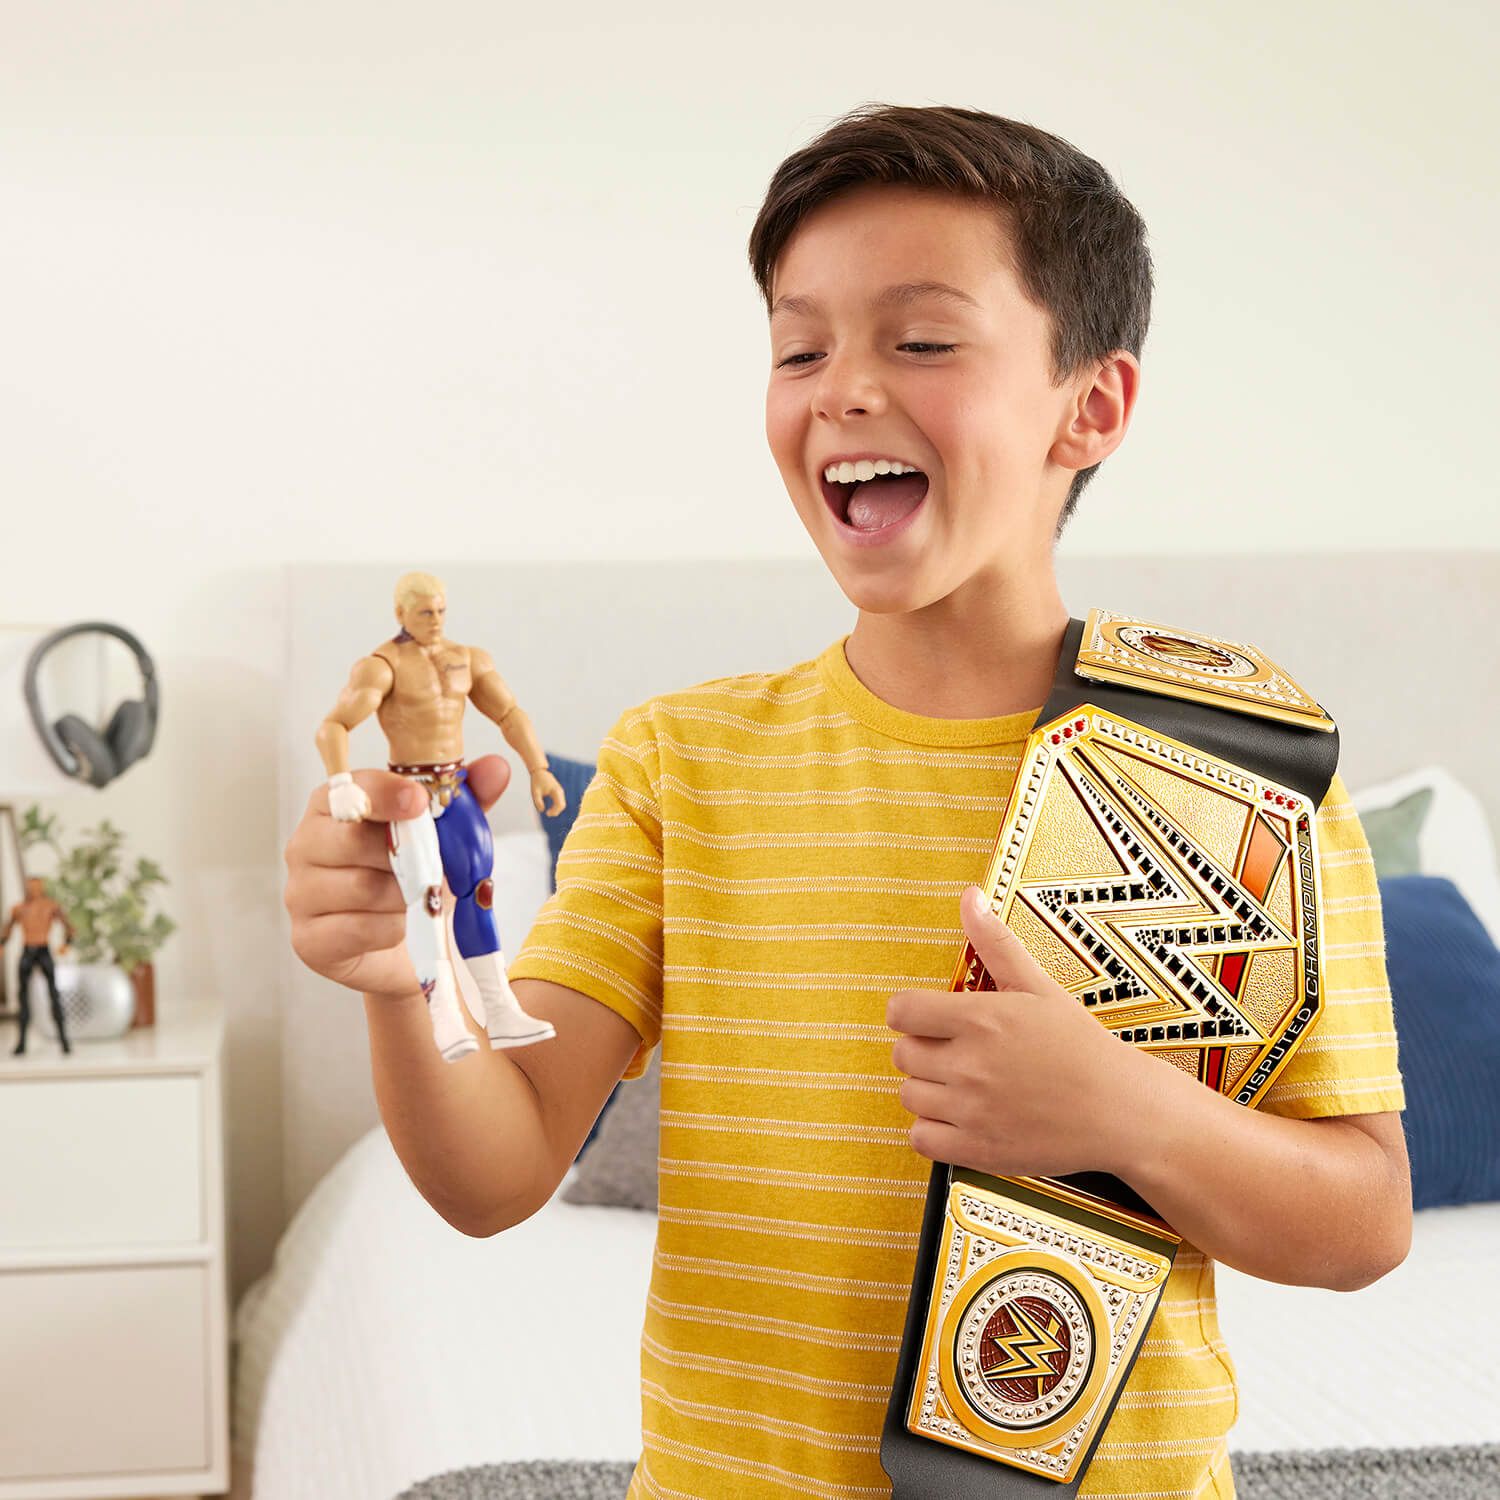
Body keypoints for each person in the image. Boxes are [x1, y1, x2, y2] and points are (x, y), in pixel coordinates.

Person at [284, 104, 1409, 1500]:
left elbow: (1363, 1221)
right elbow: (493, 1174)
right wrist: (410, 980)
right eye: (798, 347)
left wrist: (1122, 1112)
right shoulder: (681, 765)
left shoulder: (1231, 757)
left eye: (921, 340)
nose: (842, 390)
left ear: (1092, 406)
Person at [312, 573, 567, 1062]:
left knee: (479, 890)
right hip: (410, 789)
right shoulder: (381, 666)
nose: (435, 620)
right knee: (428, 897)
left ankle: (500, 1007)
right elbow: (335, 725)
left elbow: (509, 713)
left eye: (441, 610)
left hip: (457, 789)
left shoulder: (467, 658)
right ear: (400, 614)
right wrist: (340, 783)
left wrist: (540, 769)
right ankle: (444, 1012)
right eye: (425, 612)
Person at [3, 876, 74, 1054]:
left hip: (43, 950)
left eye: (37, 886)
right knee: (22, 996)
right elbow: (7, 929)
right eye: (31, 886)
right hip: (27, 950)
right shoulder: (19, 908)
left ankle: (64, 1041)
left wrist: (67, 943)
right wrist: (2, 944)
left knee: (54, 995)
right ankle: (21, 1043)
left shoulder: (51, 906)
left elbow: (69, 926)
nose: (34, 890)